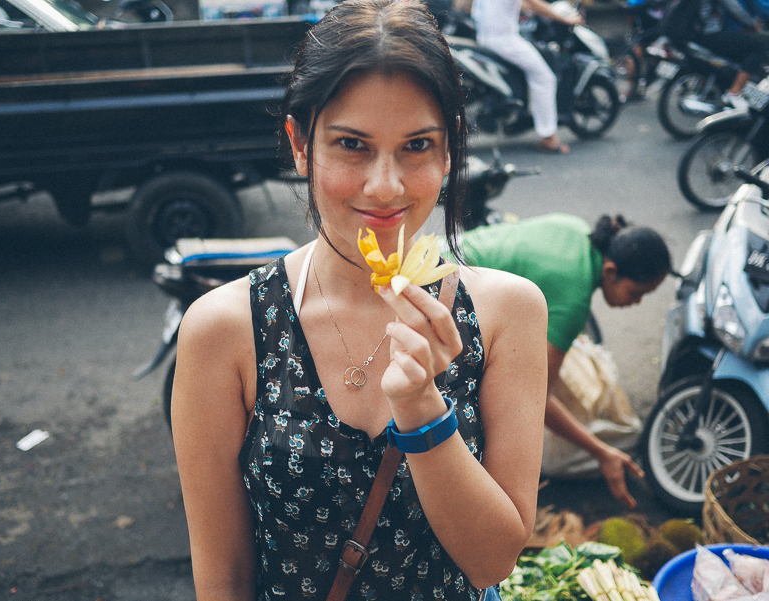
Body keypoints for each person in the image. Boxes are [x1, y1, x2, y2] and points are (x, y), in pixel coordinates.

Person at [171, 1, 549, 599]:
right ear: (300, 145)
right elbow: (224, 578)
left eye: (417, 145)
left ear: (449, 150)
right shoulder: (225, 329)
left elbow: (492, 562)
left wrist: (423, 408)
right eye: (352, 145)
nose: (385, 186)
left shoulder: (508, 313)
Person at [460, 213, 673, 510]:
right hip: (447, 293)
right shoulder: (574, 300)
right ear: (610, 272)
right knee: (492, 414)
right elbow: (537, 399)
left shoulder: (575, 229)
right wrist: (601, 452)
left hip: (441, 252)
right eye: (636, 293)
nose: (636, 303)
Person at [470, 0, 583, 153]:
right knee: (544, 78)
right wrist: (563, 18)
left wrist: (540, 10)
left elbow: (520, 4)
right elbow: (533, 2)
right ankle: (548, 136)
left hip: (485, 39)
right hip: (504, 40)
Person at [663, 0, 769, 108]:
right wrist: (753, 24)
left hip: (689, 34)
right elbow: (733, 6)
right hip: (709, 35)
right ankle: (734, 93)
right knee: (759, 46)